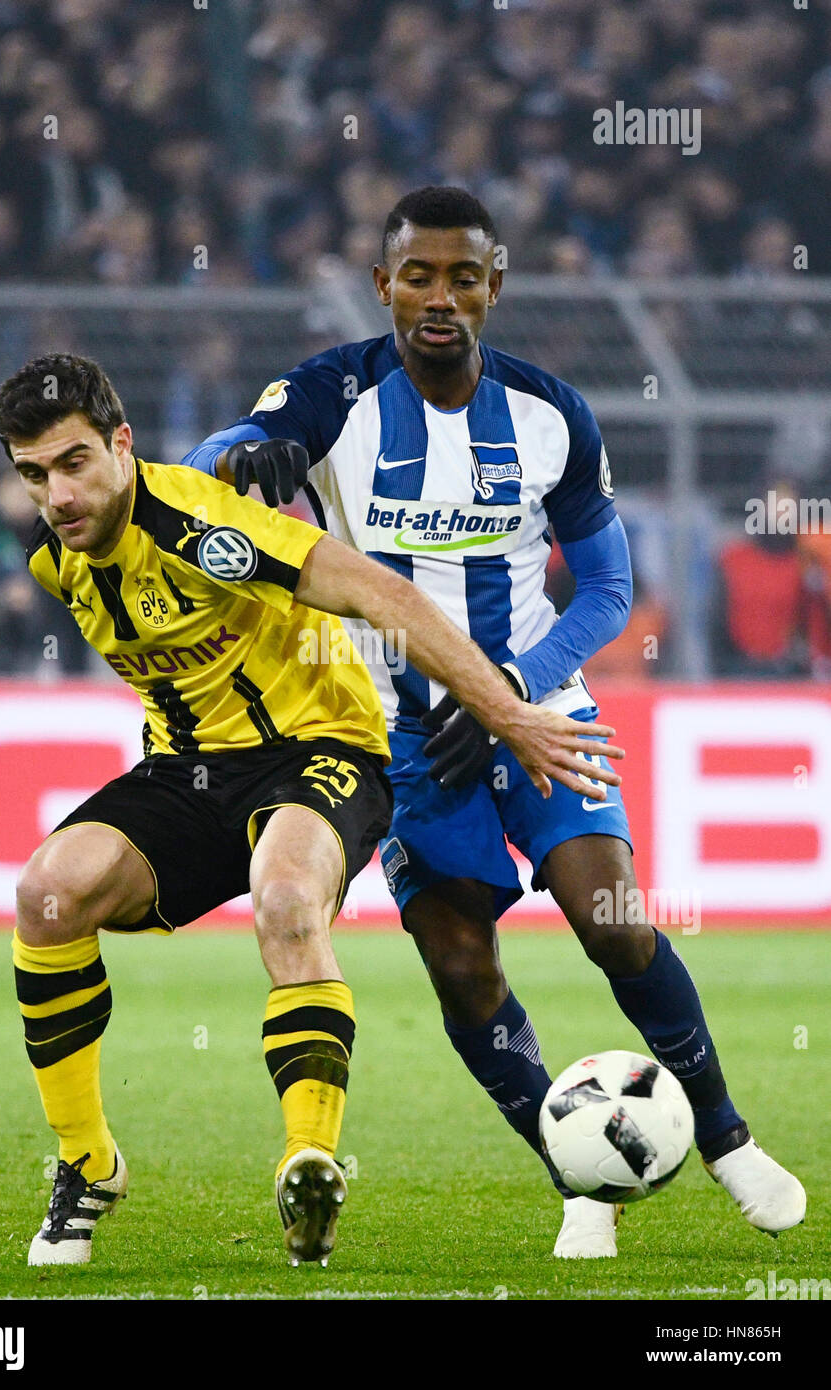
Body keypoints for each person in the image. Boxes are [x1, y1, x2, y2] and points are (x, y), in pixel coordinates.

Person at [183, 186, 806, 1258]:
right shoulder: (334, 392)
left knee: (612, 917)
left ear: (493, 288)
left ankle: (725, 1134)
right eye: (416, 275)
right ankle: (578, 1180)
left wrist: (504, 690)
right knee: (463, 966)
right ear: (382, 285)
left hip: (533, 706)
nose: (439, 297)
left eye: (461, 277)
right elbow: (218, 461)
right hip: (395, 735)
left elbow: (606, 590)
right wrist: (247, 460)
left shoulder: (550, 412)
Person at [0, 352, 623, 1270]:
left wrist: (511, 716)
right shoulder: (59, 561)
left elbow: (385, 595)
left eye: (76, 461)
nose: (59, 493)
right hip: (192, 772)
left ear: (123, 445)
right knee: (47, 896)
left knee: (285, 896)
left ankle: (308, 1166)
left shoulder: (205, 525)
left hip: (325, 752)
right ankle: (87, 1165)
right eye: (34, 474)